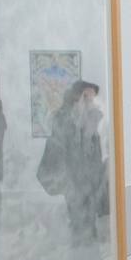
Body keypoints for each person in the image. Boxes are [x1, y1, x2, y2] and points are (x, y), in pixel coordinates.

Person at [37, 80, 102, 243]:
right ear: (78, 97)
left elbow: (94, 153)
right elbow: (62, 152)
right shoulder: (65, 119)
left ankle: (89, 255)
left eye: (93, 99)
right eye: (88, 98)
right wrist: (70, 185)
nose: (92, 103)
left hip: (89, 185)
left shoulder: (89, 119)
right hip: (74, 186)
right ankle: (81, 255)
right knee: (78, 226)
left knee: (89, 225)